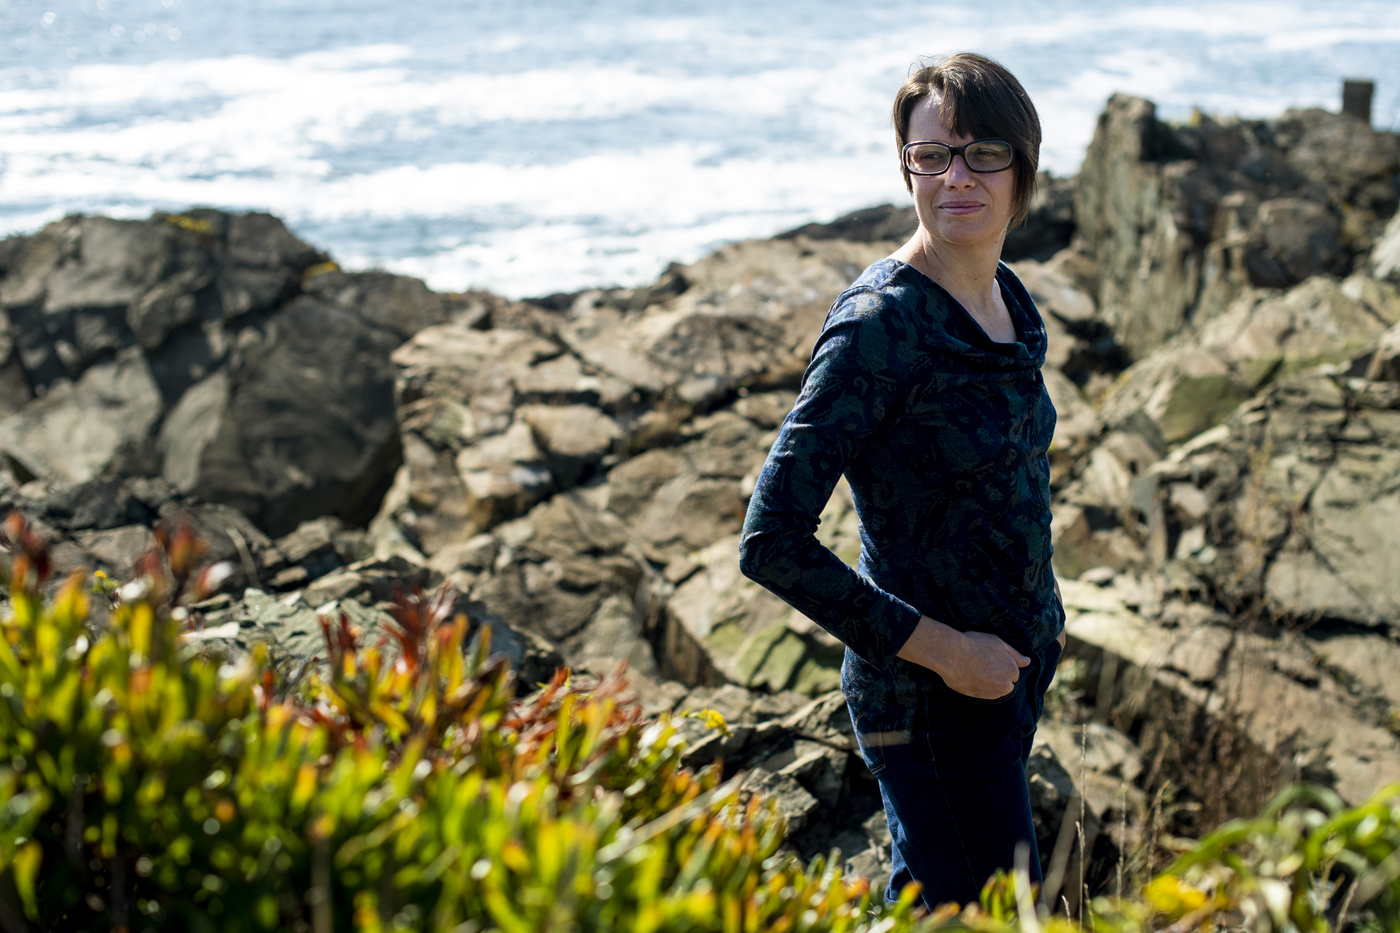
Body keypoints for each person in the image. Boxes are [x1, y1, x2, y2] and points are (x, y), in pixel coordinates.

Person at [737, 52, 1066, 910]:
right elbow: (770, 541)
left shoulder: (1010, 298)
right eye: (933, 155)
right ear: (906, 167)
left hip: (1006, 684)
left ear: (1022, 166)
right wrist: (951, 653)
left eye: (981, 152)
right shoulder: (877, 327)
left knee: (937, 909)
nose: (957, 176)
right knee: (994, 919)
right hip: (928, 703)